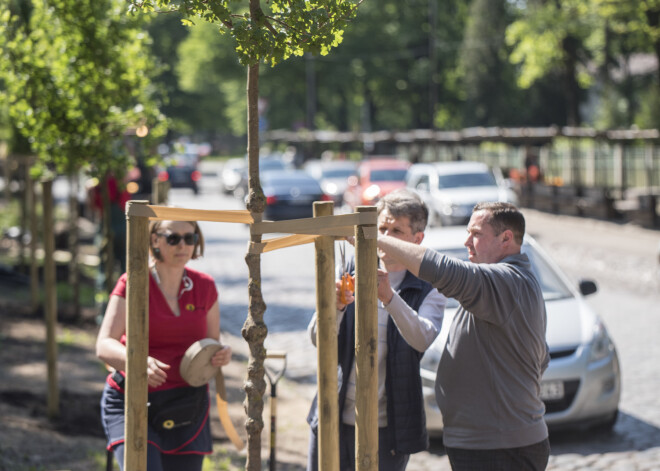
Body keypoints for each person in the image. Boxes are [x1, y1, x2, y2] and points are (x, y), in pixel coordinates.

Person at [375, 201, 550, 471]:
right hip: (487, 444)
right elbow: (540, 359)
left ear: (506, 239)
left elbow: (443, 270)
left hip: (499, 448)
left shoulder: (507, 280)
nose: (467, 241)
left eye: (477, 234)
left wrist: (374, 239)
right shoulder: (508, 284)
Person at [306, 189, 447, 471]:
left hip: (388, 429)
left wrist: (390, 298)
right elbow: (316, 339)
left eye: (396, 230)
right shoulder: (352, 267)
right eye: (381, 228)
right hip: (333, 416)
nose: (384, 236)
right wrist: (335, 307)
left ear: (417, 239)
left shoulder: (429, 287)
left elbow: (422, 339)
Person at [96, 219, 232, 471]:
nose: (183, 245)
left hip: (187, 405)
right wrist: (136, 362)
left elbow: (212, 344)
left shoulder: (205, 287)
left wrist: (220, 355)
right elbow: (104, 345)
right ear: (155, 239)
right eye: (173, 238)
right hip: (134, 400)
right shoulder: (133, 283)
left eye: (189, 238)